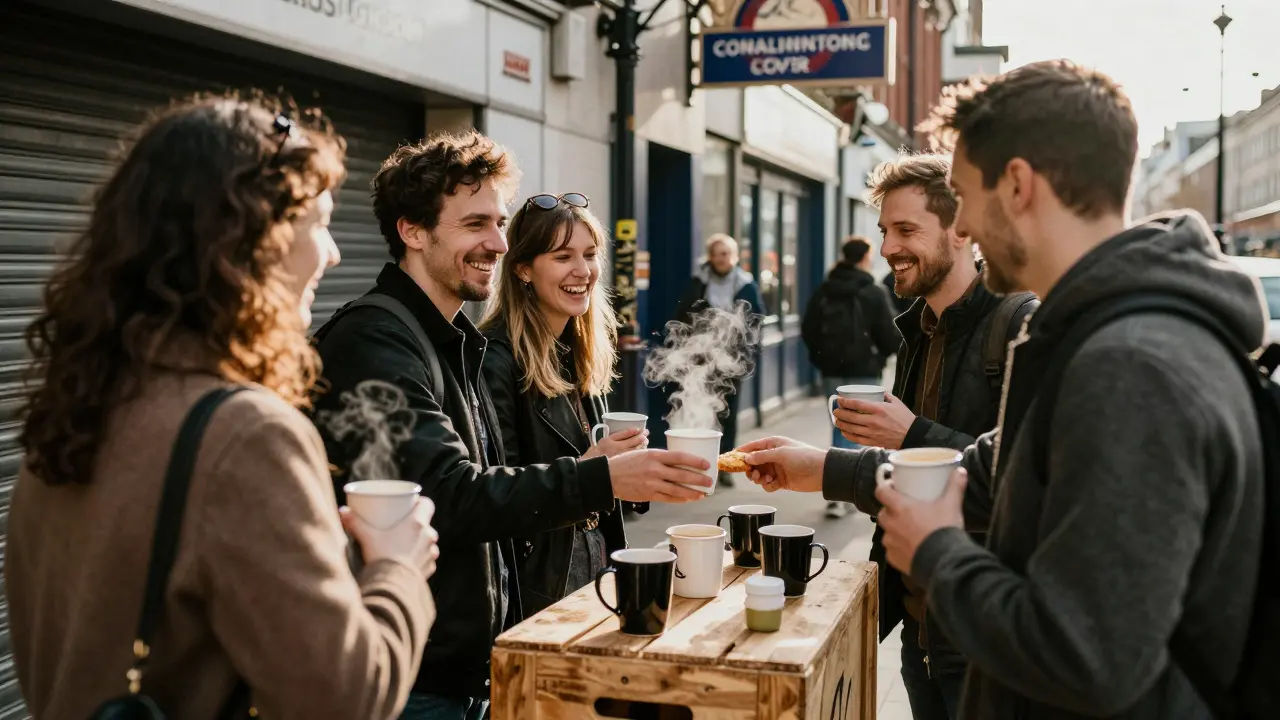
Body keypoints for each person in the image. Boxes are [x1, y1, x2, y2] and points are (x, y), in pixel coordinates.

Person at [741, 60, 1267, 719]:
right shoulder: (1077, 333)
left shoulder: (1130, 365)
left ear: (1016, 185)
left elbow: (1089, 657)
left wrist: (937, 554)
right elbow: (982, 475)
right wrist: (824, 467)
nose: (961, 223)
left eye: (961, 194)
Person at [5, 95, 439, 719]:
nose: (333, 253)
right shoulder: (246, 435)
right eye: (317, 222)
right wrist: (396, 569)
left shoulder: (74, 406)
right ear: (251, 237)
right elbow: (345, 699)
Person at [310, 132, 713, 720]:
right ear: (413, 232)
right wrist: (601, 478)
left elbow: (491, 492)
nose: (497, 243)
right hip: (411, 679)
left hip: (464, 669)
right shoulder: (377, 340)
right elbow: (453, 497)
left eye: (499, 223)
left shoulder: (451, 342)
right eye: (476, 224)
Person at [783, 152, 1039, 719]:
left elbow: (1022, 476)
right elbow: (907, 478)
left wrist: (910, 432)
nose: (889, 248)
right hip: (920, 634)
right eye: (884, 231)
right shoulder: (917, 330)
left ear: (962, 230)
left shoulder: (1020, 324)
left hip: (984, 644)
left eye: (906, 230)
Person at [479, 192, 647, 615]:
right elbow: (494, 493)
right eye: (562, 256)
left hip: (596, 565)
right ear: (522, 269)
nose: (582, 270)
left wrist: (639, 476)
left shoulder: (576, 349)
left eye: (590, 254)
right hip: (540, 584)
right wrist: (594, 468)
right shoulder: (495, 359)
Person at [800, 235, 899, 518]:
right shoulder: (872, 290)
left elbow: (809, 328)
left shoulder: (825, 289)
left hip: (832, 370)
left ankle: (838, 490)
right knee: (858, 428)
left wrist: (821, 359)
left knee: (839, 423)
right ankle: (845, 490)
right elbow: (890, 334)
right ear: (864, 257)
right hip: (864, 370)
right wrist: (880, 356)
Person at [673, 233, 765, 487]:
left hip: (732, 361)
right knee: (698, 410)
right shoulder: (697, 283)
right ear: (710, 257)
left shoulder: (746, 284)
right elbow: (682, 316)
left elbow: (756, 323)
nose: (721, 259)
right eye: (716, 253)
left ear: (734, 257)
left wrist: (747, 355)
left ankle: (724, 464)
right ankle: (697, 465)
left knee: (728, 415)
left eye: (725, 253)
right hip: (700, 360)